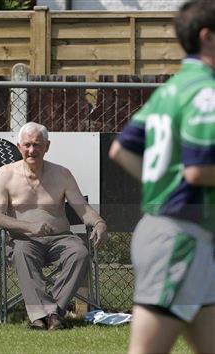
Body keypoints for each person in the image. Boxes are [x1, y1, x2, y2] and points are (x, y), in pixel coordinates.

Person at [109, 0, 215, 352]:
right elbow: (198, 170)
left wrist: (164, 190)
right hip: (179, 241)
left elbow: (120, 150)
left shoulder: (172, 89)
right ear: (208, 37)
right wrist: (173, 193)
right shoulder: (205, 92)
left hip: (183, 237)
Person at [0, 122, 108, 330]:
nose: (31, 150)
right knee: (22, 253)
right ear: (19, 147)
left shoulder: (62, 174)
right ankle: (43, 315)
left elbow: (83, 210)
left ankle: (52, 312)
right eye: (27, 145)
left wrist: (99, 222)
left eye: (37, 144)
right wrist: (28, 226)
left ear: (47, 146)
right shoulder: (4, 174)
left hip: (61, 238)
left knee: (80, 253)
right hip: (23, 239)